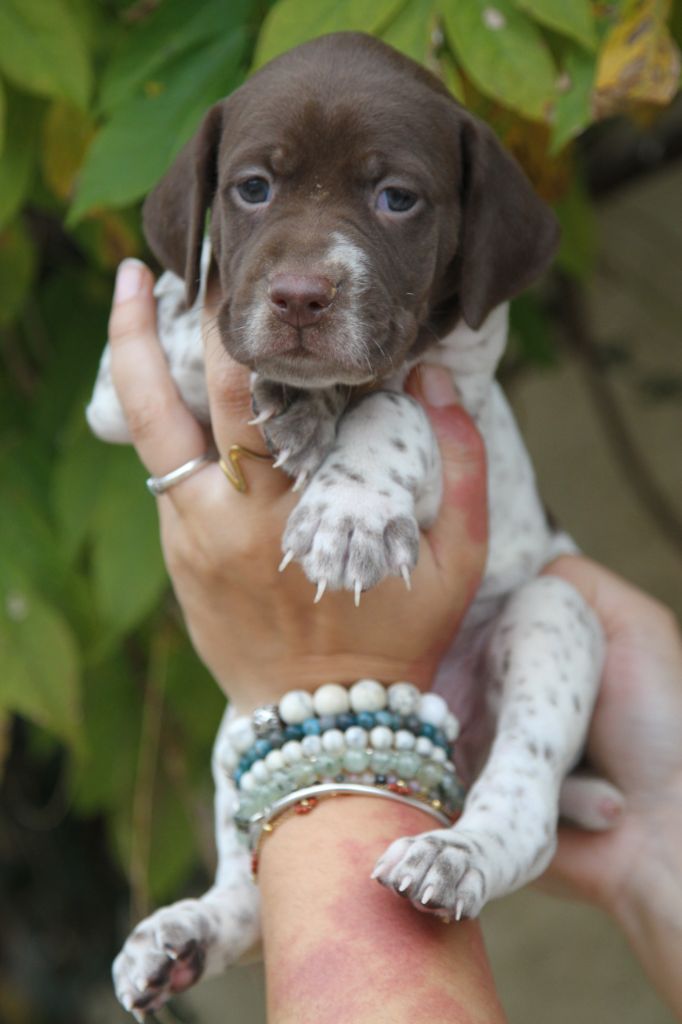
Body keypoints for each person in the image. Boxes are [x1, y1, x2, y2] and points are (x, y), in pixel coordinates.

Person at [107, 258, 682, 1021]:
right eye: (254, 190)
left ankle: (500, 830)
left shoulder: (436, 349)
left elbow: (421, 432)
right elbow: (110, 412)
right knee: (250, 713)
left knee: (554, 612)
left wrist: (314, 683)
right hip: (427, 695)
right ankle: (234, 908)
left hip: (492, 642)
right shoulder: (217, 283)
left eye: (395, 198)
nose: (309, 267)